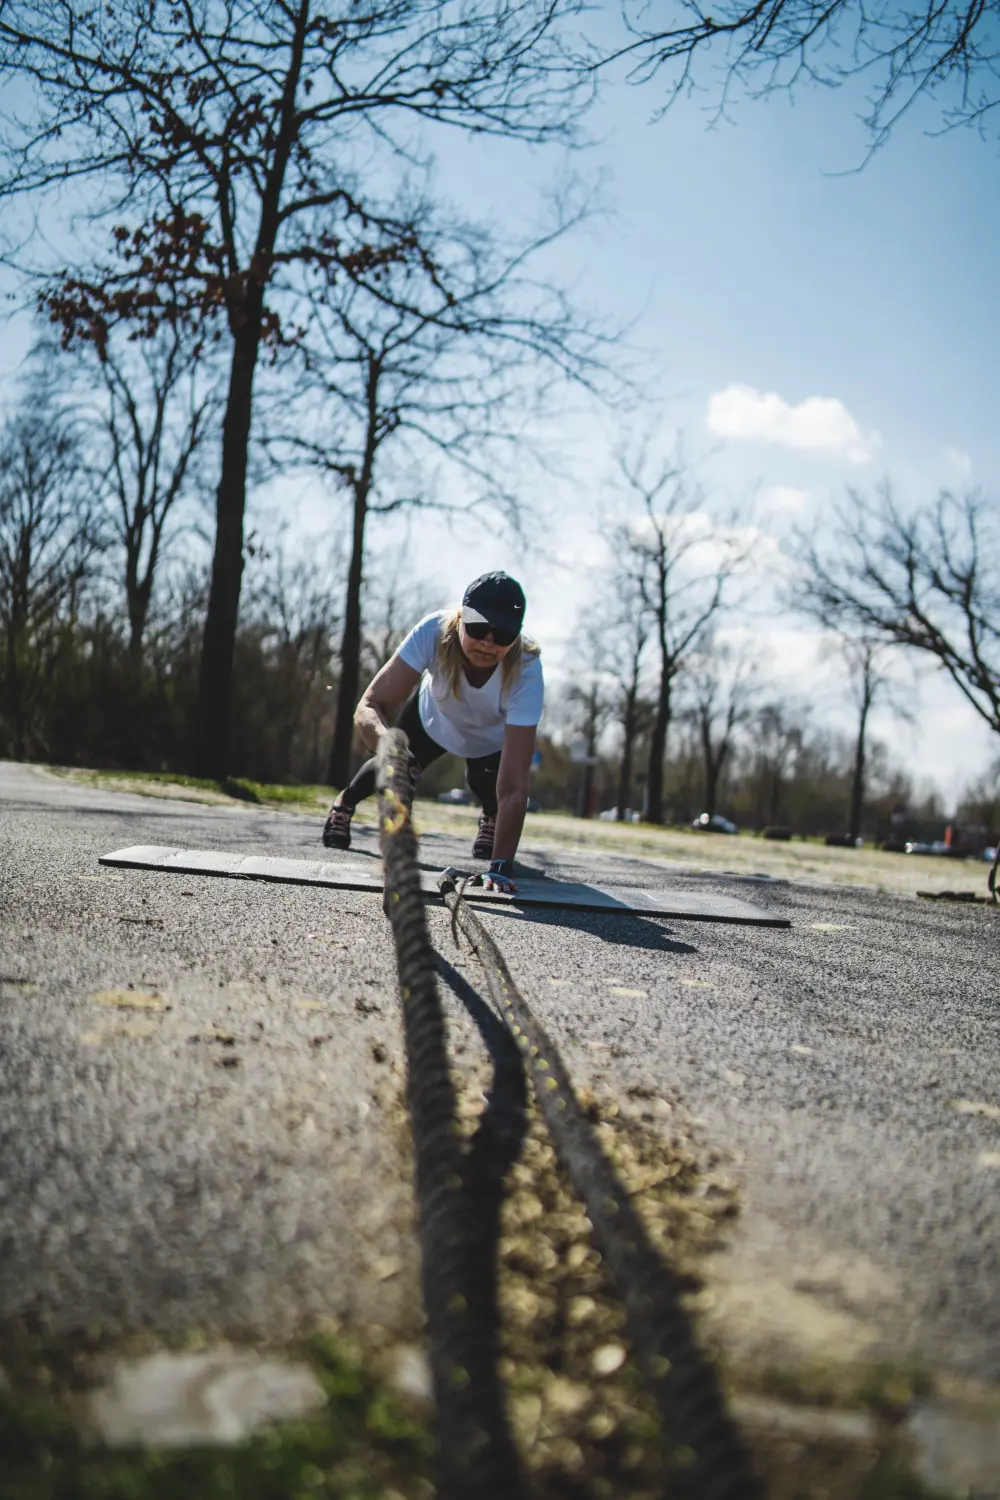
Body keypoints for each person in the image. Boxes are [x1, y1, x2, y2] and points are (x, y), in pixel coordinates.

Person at [322, 571, 542, 893]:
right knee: (396, 761)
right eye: (479, 628)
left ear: (517, 635)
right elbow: (370, 704)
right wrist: (388, 747)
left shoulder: (526, 668)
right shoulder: (434, 632)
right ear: (461, 617)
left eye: (503, 633)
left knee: (490, 788)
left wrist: (500, 869)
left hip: (488, 738)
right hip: (433, 718)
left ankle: (490, 821)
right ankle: (345, 803)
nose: (488, 642)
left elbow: (514, 787)